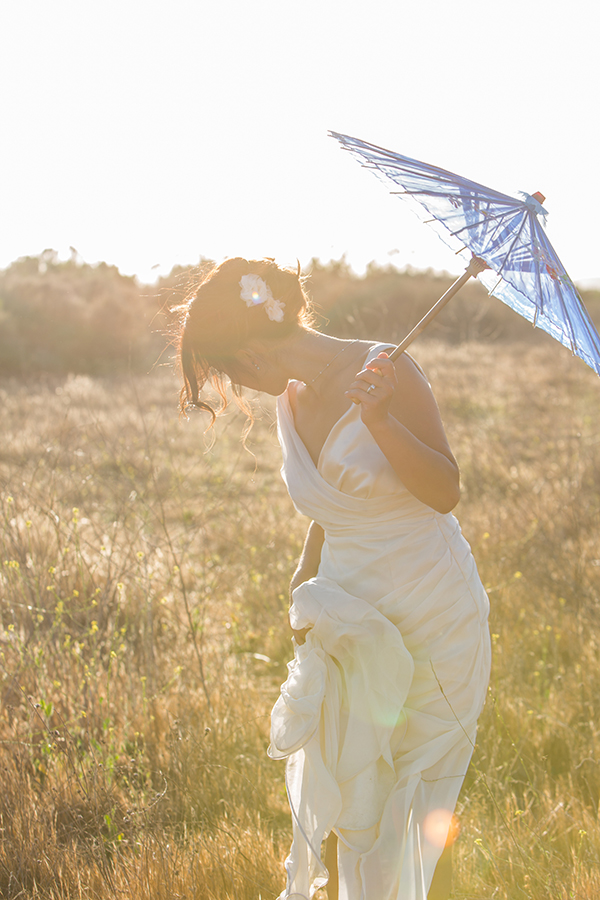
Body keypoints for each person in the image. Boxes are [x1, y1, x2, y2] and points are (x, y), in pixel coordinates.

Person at [178, 257, 491, 900]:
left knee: (416, 797)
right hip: (349, 619)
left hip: (431, 611)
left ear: (248, 352)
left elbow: (445, 491)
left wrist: (380, 419)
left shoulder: (389, 370)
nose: (235, 386)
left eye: (229, 371)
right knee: (358, 795)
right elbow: (332, 502)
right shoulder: (291, 399)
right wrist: (305, 564)